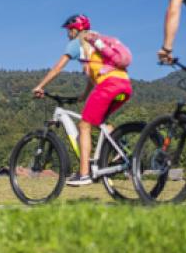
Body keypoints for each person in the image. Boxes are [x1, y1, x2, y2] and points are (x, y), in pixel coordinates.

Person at [32, 14, 132, 186]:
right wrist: (85, 95)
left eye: (68, 31)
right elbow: (92, 74)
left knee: (84, 125)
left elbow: (58, 68)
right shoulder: (95, 41)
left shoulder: (77, 42)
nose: (67, 34)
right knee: (99, 122)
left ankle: (84, 174)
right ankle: (118, 148)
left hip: (108, 85)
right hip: (124, 84)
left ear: (74, 29)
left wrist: (40, 85)